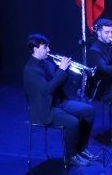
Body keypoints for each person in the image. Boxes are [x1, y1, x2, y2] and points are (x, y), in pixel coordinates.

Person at [23, 33, 97, 166]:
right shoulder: (31, 69)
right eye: (45, 47)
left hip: (58, 102)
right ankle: (71, 155)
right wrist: (61, 70)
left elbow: (58, 84)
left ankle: (82, 148)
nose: (49, 50)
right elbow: (47, 91)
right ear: (35, 49)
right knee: (73, 122)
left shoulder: (47, 63)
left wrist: (65, 70)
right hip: (44, 110)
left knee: (89, 111)